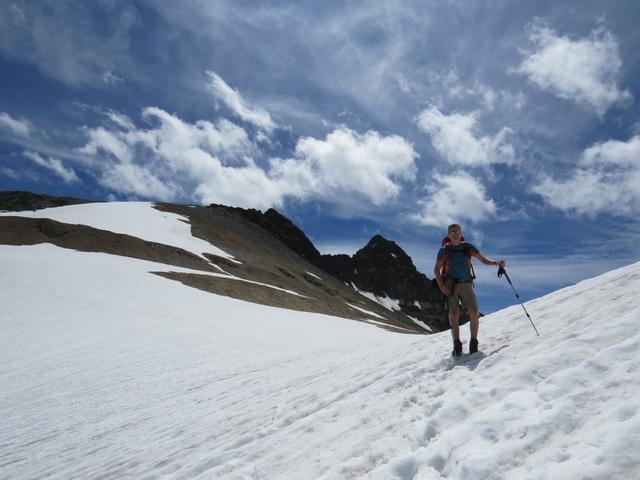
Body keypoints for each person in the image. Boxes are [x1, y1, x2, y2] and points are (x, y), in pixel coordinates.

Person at [434, 223, 505, 356]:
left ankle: (473, 342)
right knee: (454, 315)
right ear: (448, 235)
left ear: (460, 233)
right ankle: (457, 344)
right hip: (451, 285)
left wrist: (496, 263)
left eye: (457, 232)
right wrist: (441, 286)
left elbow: (483, 259)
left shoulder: (467, 247)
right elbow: (436, 269)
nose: (454, 234)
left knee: (474, 312)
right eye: (452, 232)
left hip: (466, 284)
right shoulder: (444, 250)